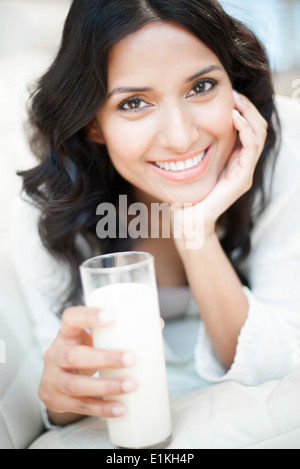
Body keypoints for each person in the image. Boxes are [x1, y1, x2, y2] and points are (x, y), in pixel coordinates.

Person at [13, 0, 300, 429]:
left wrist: (196, 233)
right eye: (134, 104)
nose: (181, 137)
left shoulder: (285, 148)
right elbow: (58, 394)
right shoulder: (53, 198)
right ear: (93, 123)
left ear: (234, 84)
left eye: (201, 87)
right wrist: (62, 398)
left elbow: (284, 363)